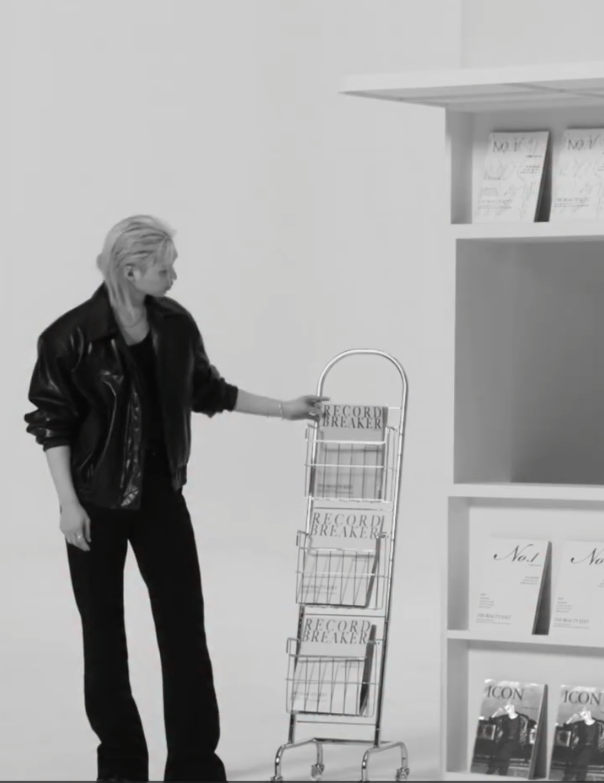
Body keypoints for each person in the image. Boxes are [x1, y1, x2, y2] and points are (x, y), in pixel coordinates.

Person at [23, 215, 328, 783]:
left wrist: (285, 409)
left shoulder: (175, 325)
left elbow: (207, 389)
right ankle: (121, 764)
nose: (174, 276)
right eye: (165, 268)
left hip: (162, 497)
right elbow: (52, 423)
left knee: (184, 631)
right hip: (95, 503)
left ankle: (193, 764)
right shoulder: (70, 336)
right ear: (131, 271)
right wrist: (68, 505)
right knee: (103, 636)